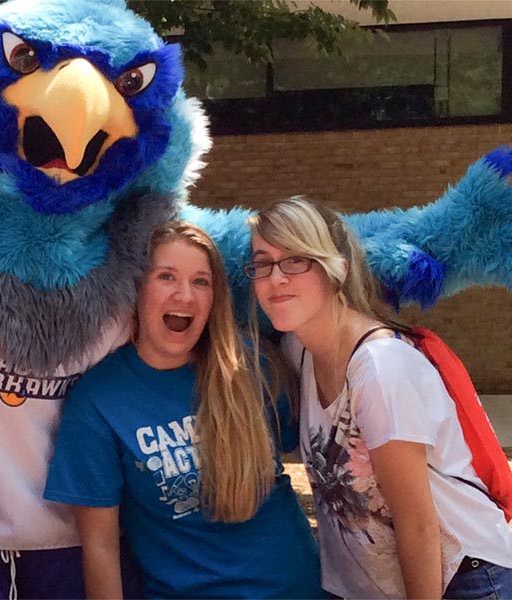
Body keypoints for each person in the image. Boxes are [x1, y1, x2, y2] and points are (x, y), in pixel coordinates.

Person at [247, 197, 512, 599]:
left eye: (296, 259)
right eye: (263, 262)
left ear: (337, 271)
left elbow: (417, 523)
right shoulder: (301, 351)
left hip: (467, 580)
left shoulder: (381, 368)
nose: (276, 277)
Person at [45, 222, 322, 599]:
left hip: (297, 588)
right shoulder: (98, 401)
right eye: (167, 277)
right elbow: (101, 549)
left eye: (201, 282)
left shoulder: (250, 364)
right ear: (137, 287)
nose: (185, 295)